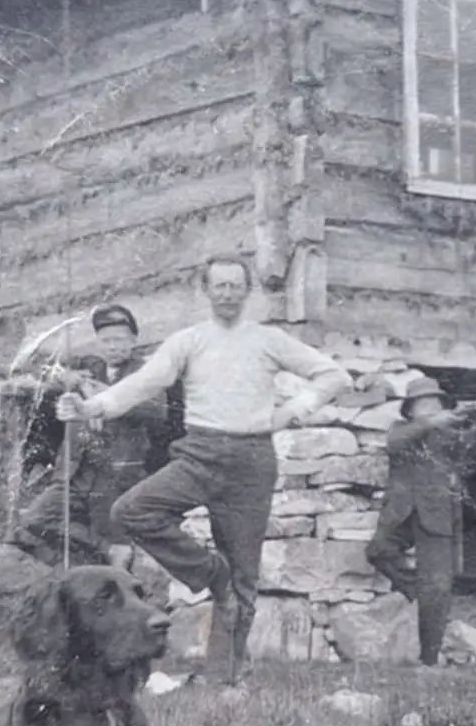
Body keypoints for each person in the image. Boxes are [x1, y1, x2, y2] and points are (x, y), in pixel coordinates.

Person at [56, 257, 351, 684]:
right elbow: (143, 385)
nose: (227, 293)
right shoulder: (188, 341)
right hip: (200, 454)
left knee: (244, 579)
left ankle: (222, 679)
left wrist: (289, 412)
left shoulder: (269, 339)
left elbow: (333, 375)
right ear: (206, 290)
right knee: (130, 512)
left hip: (252, 461)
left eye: (235, 286)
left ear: (247, 291)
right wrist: (90, 407)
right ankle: (212, 574)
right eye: (220, 286)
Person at [11, 304, 174, 569]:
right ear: (98, 342)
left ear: (134, 340)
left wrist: (100, 397)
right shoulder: (89, 366)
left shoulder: (146, 373)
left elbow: (157, 412)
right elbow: (31, 360)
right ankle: (100, 551)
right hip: (74, 472)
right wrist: (74, 379)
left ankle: (111, 572)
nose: (113, 347)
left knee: (118, 550)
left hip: (115, 476)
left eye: (120, 340)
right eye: (107, 340)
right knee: (34, 521)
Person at [366, 377, 476, 665]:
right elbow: (394, 443)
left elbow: (474, 449)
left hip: (436, 514)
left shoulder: (449, 435)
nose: (431, 408)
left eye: (435, 403)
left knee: (437, 587)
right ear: (410, 411)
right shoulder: (401, 430)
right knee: (377, 551)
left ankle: (429, 659)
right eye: (424, 404)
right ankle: (413, 589)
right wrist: (433, 421)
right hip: (401, 512)